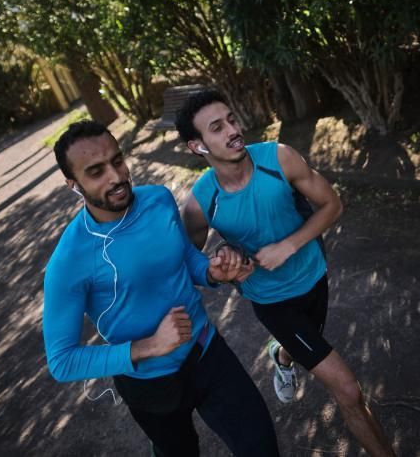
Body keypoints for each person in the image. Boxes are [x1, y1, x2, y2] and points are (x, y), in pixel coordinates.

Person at [176, 90, 396, 457]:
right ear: (197, 146)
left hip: (314, 277)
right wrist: (223, 261)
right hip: (273, 302)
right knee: (348, 391)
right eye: (218, 127)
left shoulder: (278, 158)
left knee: (305, 344)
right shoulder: (201, 203)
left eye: (231, 119)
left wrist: (290, 245)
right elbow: (191, 262)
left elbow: (332, 204)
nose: (233, 130)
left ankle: (282, 356)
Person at [43, 120, 279, 457]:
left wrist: (213, 272)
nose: (116, 176)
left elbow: (185, 258)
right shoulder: (67, 262)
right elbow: (62, 361)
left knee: (261, 445)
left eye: (117, 161)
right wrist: (147, 347)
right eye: (96, 171)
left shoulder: (157, 199)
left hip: (206, 351)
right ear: (73, 184)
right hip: (148, 385)